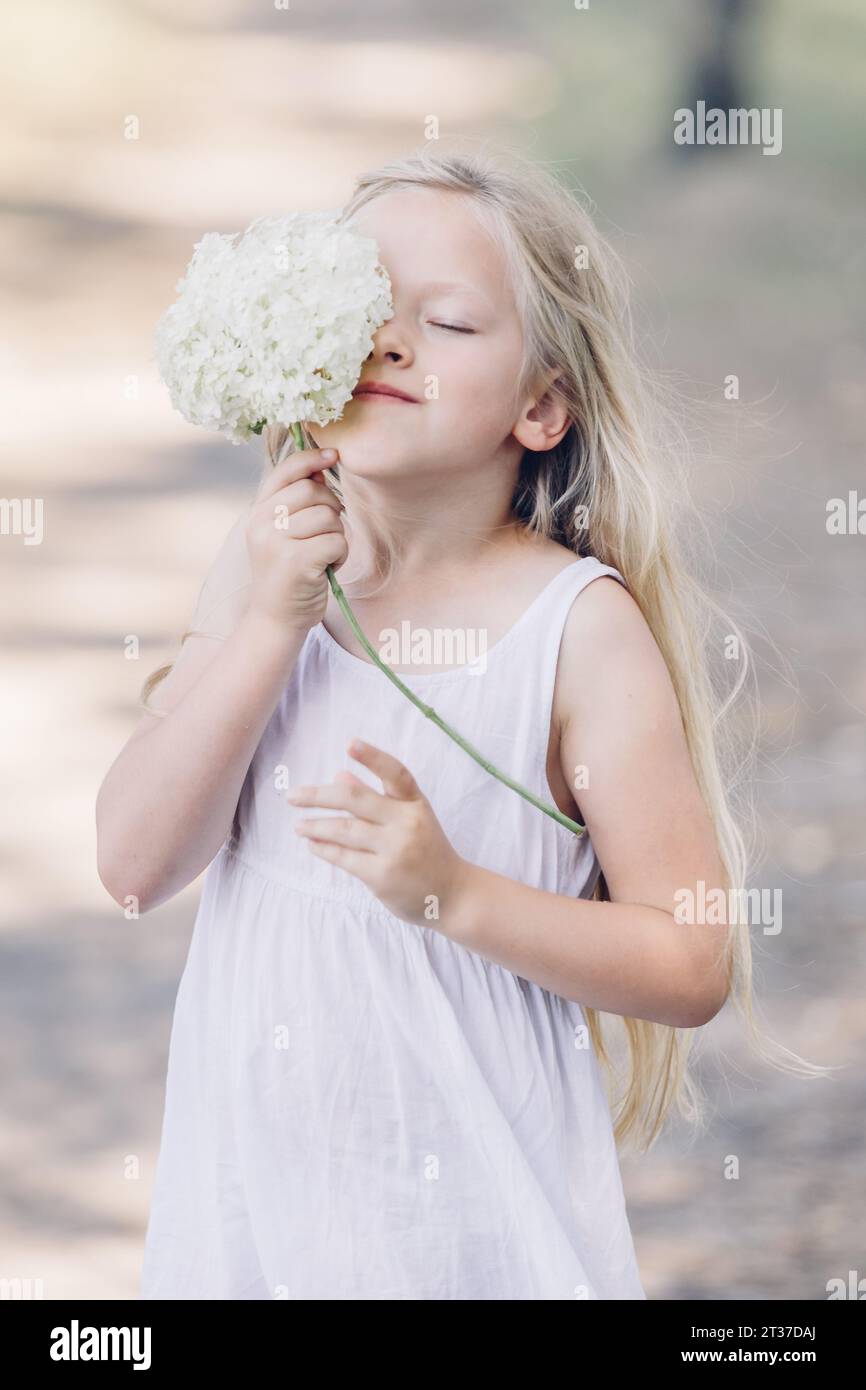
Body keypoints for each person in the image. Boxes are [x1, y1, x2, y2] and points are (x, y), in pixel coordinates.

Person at [96, 145, 819, 1300]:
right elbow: (133, 863)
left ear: (540, 407)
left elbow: (687, 959)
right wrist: (271, 622)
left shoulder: (571, 631)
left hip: (468, 1245)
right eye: (367, 306)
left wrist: (454, 894)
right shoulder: (262, 568)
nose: (390, 341)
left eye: (448, 323)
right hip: (250, 1235)